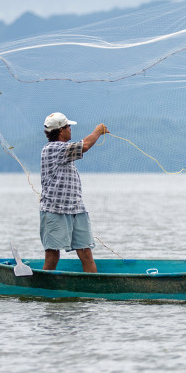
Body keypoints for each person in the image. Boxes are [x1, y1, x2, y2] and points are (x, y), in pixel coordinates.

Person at [39, 112, 108, 272]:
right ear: (61, 131)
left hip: (76, 209)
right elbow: (84, 146)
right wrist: (98, 131)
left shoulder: (62, 149)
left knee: (85, 252)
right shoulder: (53, 149)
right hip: (55, 210)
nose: (70, 129)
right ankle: (44, 289)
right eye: (68, 126)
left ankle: (92, 291)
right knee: (52, 254)